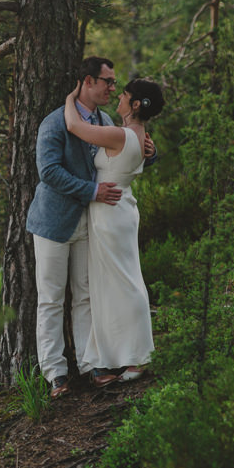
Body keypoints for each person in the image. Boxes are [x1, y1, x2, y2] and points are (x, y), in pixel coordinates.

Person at [23, 57, 154, 398]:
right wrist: (92, 191)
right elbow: (48, 171)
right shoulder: (54, 123)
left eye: (114, 83)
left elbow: (122, 154)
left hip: (91, 221)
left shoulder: (106, 121)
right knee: (51, 298)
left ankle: (90, 363)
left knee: (85, 294)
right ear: (87, 81)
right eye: (107, 81)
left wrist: (149, 153)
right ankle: (55, 373)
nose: (113, 87)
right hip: (53, 222)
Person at [62, 75, 163, 386]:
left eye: (124, 95)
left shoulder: (121, 135)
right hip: (115, 211)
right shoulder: (136, 135)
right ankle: (119, 354)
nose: (118, 98)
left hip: (112, 213)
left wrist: (70, 98)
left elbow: (76, 127)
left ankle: (139, 356)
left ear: (135, 105)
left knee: (125, 283)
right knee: (114, 285)